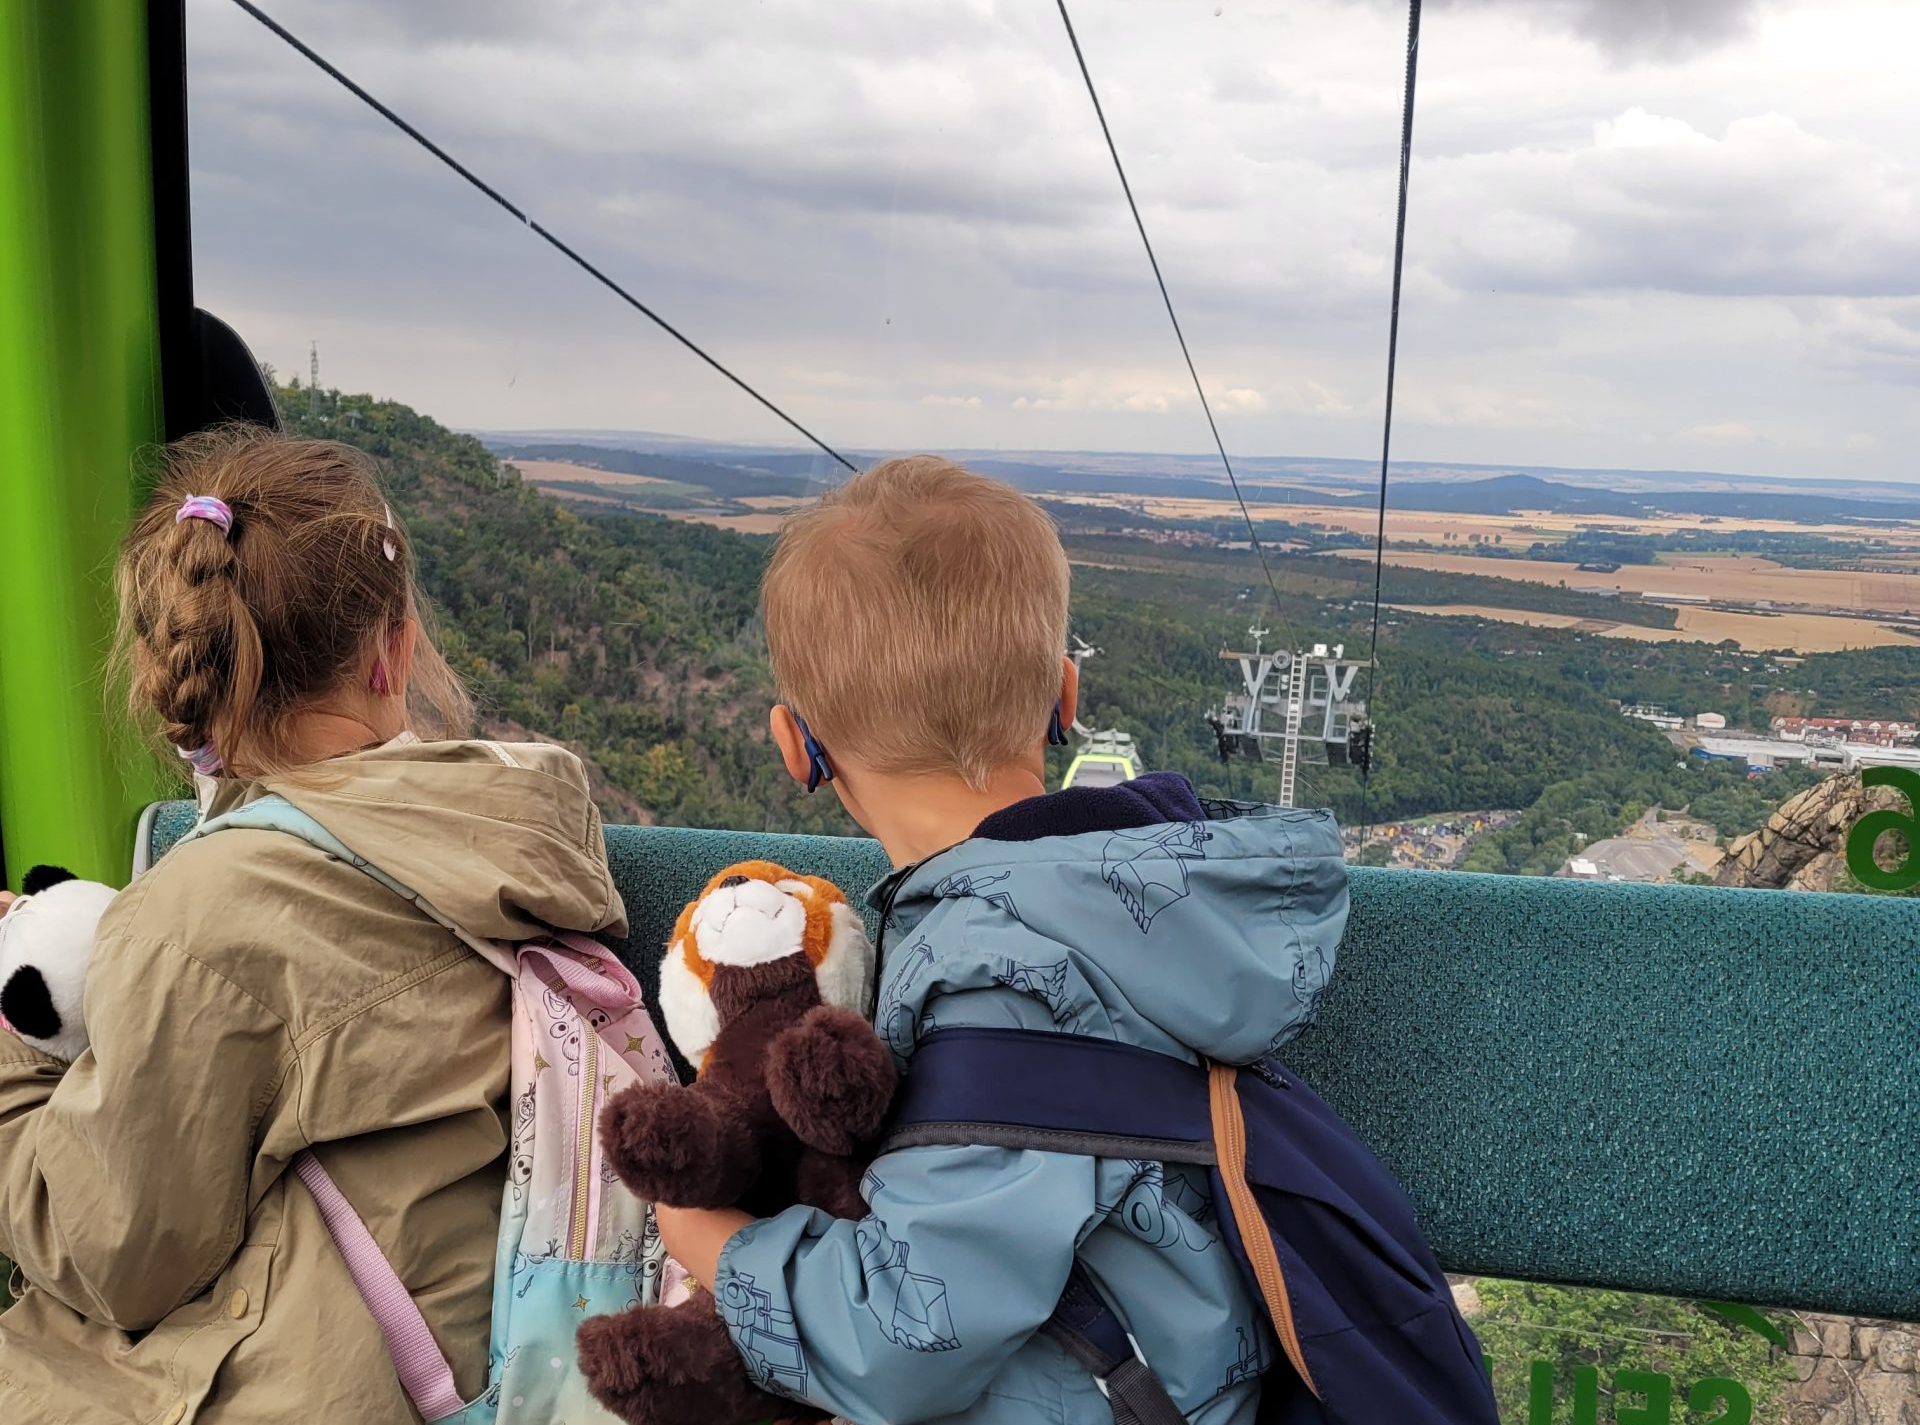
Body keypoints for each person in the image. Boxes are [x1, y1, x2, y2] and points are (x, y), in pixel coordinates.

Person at [651, 456, 1348, 1425]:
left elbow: (906, 1341)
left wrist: (708, 1239)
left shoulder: (1000, 976)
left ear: (796, 745)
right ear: (1065, 698)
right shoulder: (1128, 905)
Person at [0, 428, 627, 1423]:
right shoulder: (518, 830)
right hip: (490, 1357)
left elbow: (112, 1252)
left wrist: (18, 1054)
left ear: (174, 665)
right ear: (393, 650)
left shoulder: (203, 916)